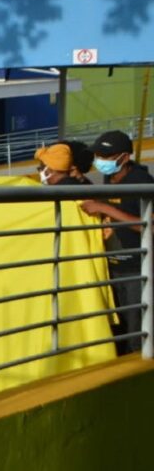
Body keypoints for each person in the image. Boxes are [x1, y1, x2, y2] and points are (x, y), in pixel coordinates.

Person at [80, 130, 154, 355]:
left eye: (105, 156)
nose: (99, 161)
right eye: (97, 155)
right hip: (113, 266)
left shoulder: (142, 182)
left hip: (136, 269)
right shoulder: (109, 179)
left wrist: (105, 208)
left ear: (123, 158)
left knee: (137, 333)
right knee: (119, 330)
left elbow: (149, 225)